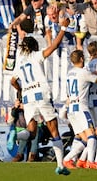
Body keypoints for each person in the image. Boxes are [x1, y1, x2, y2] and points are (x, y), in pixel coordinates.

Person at [10, 16, 71, 175]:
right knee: (54, 130)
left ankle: (16, 135)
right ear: (34, 47)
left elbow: (13, 81)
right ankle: (60, 165)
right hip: (41, 94)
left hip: (28, 97)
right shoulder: (36, 56)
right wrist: (63, 28)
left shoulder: (20, 63)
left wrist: (21, 90)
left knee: (31, 131)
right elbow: (55, 45)